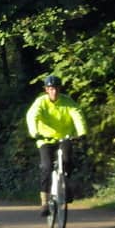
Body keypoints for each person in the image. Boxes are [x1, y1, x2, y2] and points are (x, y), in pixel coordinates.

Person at [25, 75, 87, 217]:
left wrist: (82, 132)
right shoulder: (40, 102)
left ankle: (66, 188)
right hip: (45, 139)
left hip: (64, 137)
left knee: (67, 161)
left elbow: (77, 115)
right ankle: (45, 202)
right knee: (46, 167)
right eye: (51, 88)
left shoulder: (67, 102)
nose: (54, 91)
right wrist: (35, 133)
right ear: (46, 90)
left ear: (60, 88)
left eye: (57, 88)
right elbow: (32, 116)